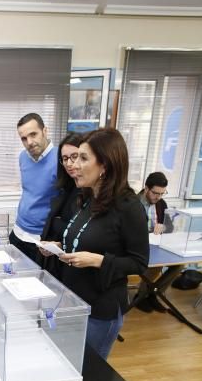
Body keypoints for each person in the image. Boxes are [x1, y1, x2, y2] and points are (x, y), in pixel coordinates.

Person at [48, 128, 149, 359]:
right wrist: (59, 248)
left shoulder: (129, 207)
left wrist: (99, 261)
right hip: (74, 301)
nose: (75, 165)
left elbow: (140, 263)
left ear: (105, 165)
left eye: (83, 158)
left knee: (91, 376)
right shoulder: (85, 199)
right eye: (74, 158)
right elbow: (84, 240)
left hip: (100, 311)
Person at [9, 113, 59, 264]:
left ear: (45, 131)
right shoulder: (23, 157)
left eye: (33, 134)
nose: (29, 142)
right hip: (18, 232)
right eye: (24, 138)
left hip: (41, 239)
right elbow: (29, 192)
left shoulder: (61, 159)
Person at [40, 133, 84, 274]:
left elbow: (80, 232)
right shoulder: (66, 187)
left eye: (75, 156)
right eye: (65, 159)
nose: (69, 164)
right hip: (56, 262)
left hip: (77, 269)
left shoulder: (90, 192)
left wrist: (58, 226)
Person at [135, 172, 172, 312]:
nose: (158, 197)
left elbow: (170, 226)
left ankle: (153, 293)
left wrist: (164, 226)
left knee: (178, 266)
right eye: (155, 193)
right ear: (146, 189)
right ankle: (140, 297)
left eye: (162, 193)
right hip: (137, 247)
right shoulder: (133, 203)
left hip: (156, 246)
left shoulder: (161, 204)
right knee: (153, 265)